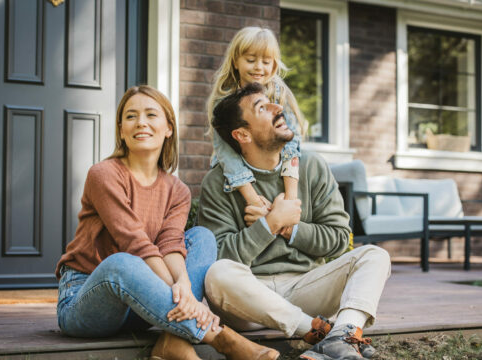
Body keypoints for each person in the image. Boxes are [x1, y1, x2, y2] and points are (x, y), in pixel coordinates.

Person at [55, 85, 279, 360]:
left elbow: (170, 243)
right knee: (123, 262)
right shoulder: (104, 175)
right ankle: (222, 338)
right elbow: (135, 243)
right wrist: (181, 294)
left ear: (168, 128)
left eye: (151, 114)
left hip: (144, 304)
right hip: (87, 301)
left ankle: (172, 339)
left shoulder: (177, 189)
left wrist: (183, 283)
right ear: (122, 130)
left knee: (201, 237)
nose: (141, 123)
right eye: (131, 116)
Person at [197, 83, 391, 360]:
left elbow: (338, 239)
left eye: (272, 102)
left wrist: (290, 228)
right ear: (242, 134)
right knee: (217, 273)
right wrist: (269, 224)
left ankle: (343, 332)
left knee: (375, 256)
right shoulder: (218, 182)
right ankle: (321, 332)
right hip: (249, 298)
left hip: (307, 287)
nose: (278, 108)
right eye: (262, 108)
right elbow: (219, 254)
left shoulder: (312, 166)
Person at [207, 27, 305, 236]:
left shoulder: (278, 93)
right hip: (237, 175)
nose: (259, 67)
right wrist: (254, 201)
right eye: (251, 60)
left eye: (266, 61)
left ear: (274, 64)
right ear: (235, 61)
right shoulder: (225, 103)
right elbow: (227, 156)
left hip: (277, 171)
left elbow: (291, 142)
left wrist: (290, 199)